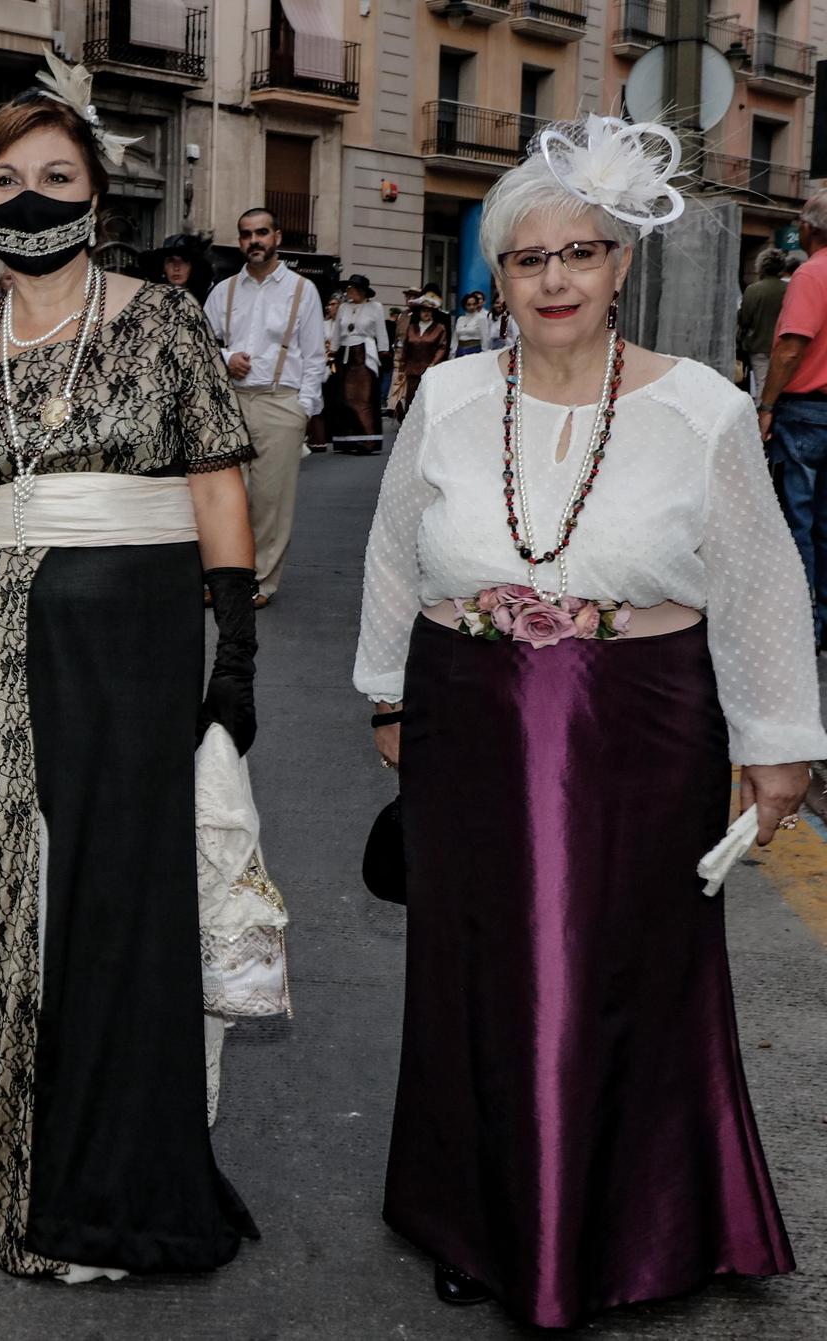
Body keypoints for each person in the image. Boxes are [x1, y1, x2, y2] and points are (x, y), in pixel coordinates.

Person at [355, 115, 825, 1329]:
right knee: (472, 973)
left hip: (640, 719)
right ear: (496, 277)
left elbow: (760, 579)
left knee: (618, 971)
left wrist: (774, 741)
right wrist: (385, 692)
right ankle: (477, 1214)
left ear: (621, 265)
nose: (554, 278)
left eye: (581, 253)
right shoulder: (449, 396)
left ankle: (634, 1223)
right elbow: (395, 554)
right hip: (464, 713)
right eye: (527, 259)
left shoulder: (705, 409)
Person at [0, 61, 260, 1281]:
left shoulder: (162, 320)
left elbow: (213, 483)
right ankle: (24, 1186)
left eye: (54, 178)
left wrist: (235, 649)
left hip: (139, 656)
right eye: (4, 181)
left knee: (117, 912)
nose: (30, 200)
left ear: (97, 193)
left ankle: (127, 1189)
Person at [205, 205, 326, 608]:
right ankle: (223, 577)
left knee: (270, 501)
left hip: (281, 402)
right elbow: (202, 347)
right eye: (245, 234)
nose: (253, 241)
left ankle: (259, 581)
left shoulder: (300, 290)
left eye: (261, 233)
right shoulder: (223, 291)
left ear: (276, 238)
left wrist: (303, 410)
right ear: (239, 241)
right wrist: (226, 358)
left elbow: (314, 356)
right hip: (232, 401)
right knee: (224, 497)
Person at [760, 193, 827, 649]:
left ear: (810, 228)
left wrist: (766, 406)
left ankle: (798, 621)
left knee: (795, 522)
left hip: (806, 413)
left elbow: (790, 347)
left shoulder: (811, 273)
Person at [328, 274, 391, 454]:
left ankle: (367, 440)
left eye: (352, 289)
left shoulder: (375, 307)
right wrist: (332, 351)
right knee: (344, 398)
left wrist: (383, 351)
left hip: (364, 352)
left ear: (362, 291)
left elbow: (381, 330)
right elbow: (337, 332)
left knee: (363, 397)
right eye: (348, 289)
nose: (349, 292)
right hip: (345, 354)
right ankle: (347, 441)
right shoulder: (344, 308)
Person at [390, 289, 449, 417]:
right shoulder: (411, 328)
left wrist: (433, 364)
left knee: (428, 403)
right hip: (412, 371)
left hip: (430, 371)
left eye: (429, 311)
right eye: (424, 310)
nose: (426, 313)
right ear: (419, 312)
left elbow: (442, 348)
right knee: (411, 402)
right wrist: (402, 369)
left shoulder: (439, 328)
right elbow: (405, 348)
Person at [738, 249, 787, 401]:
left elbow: (745, 320)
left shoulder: (753, 290)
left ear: (760, 267)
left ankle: (763, 418)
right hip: (783, 346)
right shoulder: (789, 289)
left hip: (759, 346)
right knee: (782, 387)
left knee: (762, 386)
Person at [449, 290, 489, 355]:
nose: (471, 307)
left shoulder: (481, 318)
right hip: (460, 350)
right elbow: (455, 337)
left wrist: (485, 353)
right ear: (465, 306)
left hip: (475, 350)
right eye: (469, 304)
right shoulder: (460, 319)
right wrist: (453, 352)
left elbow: (485, 337)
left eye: (474, 304)